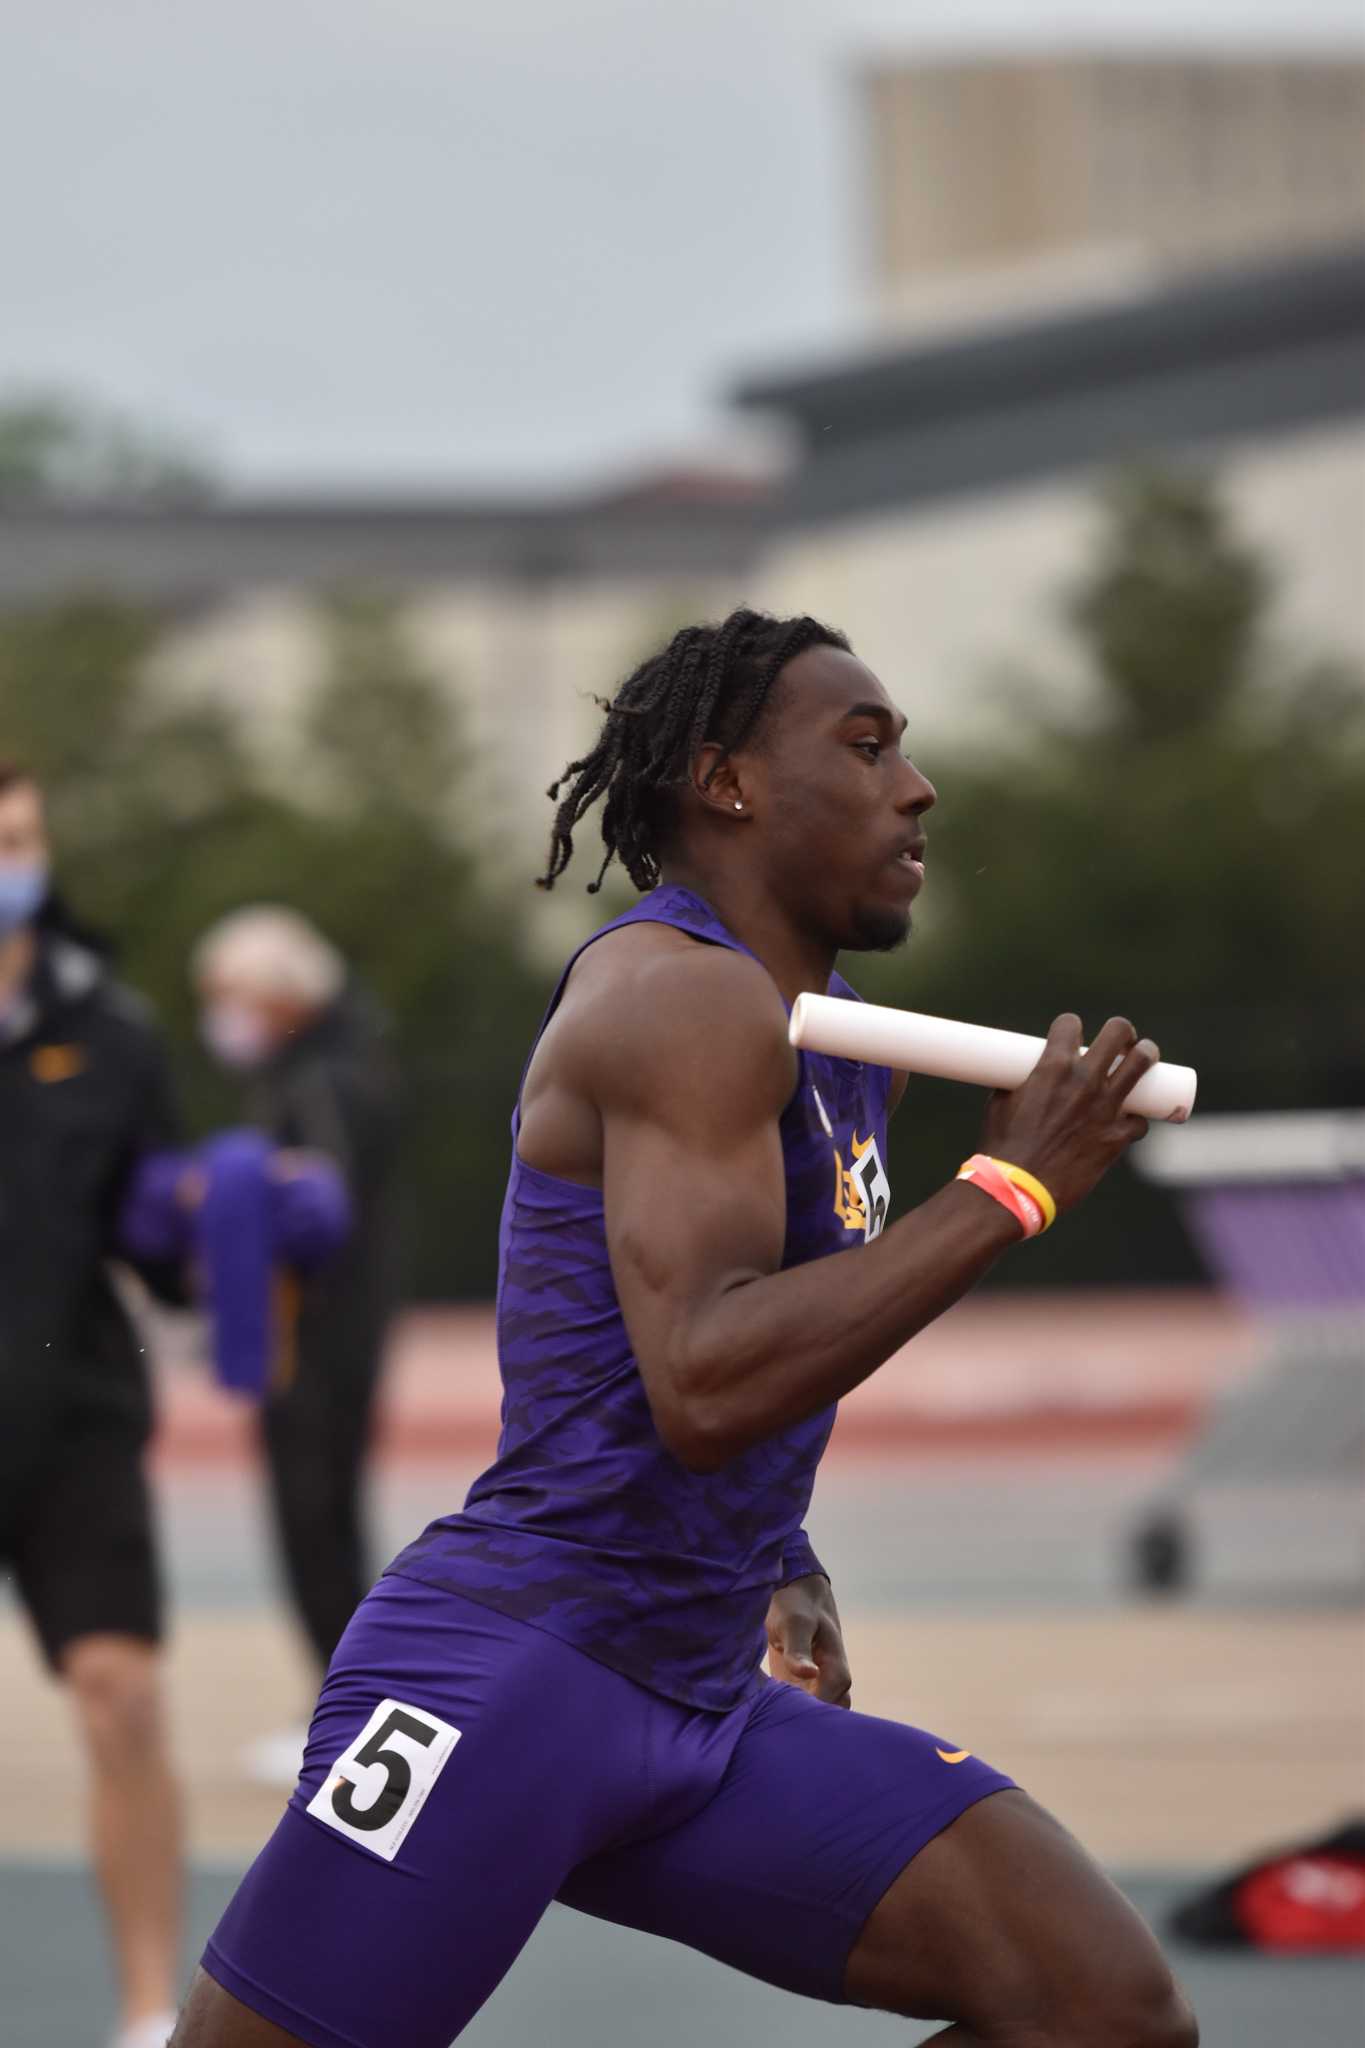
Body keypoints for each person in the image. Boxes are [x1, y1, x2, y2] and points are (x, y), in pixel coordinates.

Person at [174, 611, 1198, 2048]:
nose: (917, 788)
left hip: (698, 1695)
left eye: (905, 747)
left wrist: (781, 1555)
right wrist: (1013, 1186)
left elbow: (752, 1348)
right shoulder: (680, 998)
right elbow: (705, 1380)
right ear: (725, 784)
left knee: (1100, 2012)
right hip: (518, 1675)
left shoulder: (837, 1039)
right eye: (866, 745)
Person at [0, 762, 185, 2048]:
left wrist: (237, 1223)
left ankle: (145, 2012)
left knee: (123, 1697)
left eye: (20, 834)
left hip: (71, 1411)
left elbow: (166, 1245)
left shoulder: (110, 1030)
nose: (13, 857)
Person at [190, 907, 403, 1778]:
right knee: (324, 1519)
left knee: (313, 1519)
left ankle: (346, 1709)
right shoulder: (339, 1062)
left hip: (314, 1339)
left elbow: (320, 1211)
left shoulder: (322, 1079)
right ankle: (343, 1699)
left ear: (279, 994)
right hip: (332, 1332)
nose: (222, 1016)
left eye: (229, 996)